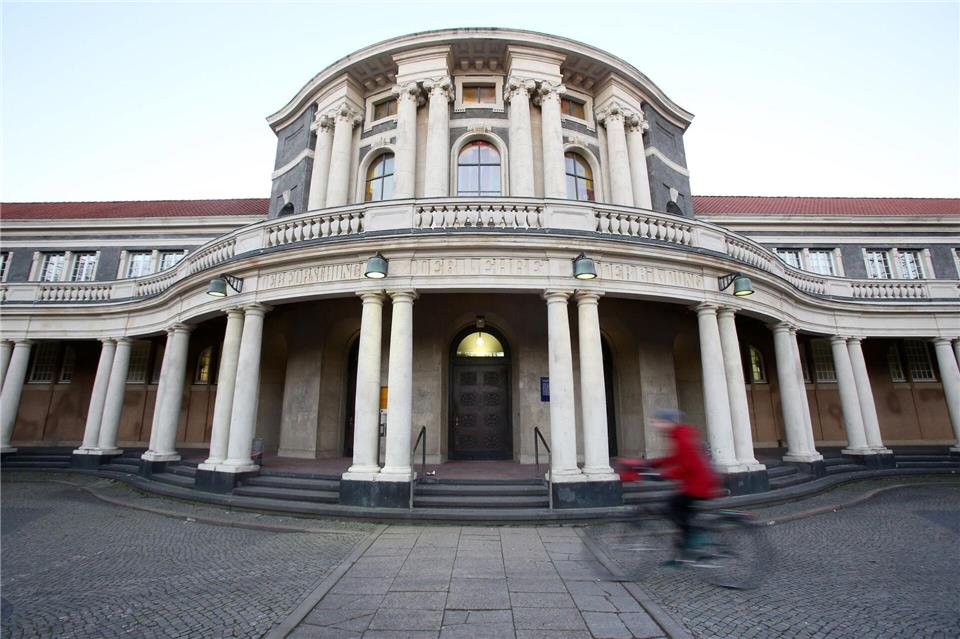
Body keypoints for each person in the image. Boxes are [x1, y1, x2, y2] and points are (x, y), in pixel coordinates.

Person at [646, 408, 721, 561]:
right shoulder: (680, 433)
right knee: (681, 510)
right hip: (698, 482)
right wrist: (652, 464)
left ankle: (693, 543)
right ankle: (689, 542)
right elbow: (675, 458)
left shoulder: (681, 435)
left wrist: (664, 474)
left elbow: (688, 464)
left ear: (668, 422)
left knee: (674, 506)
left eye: (659, 421)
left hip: (699, 484)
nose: (655, 425)